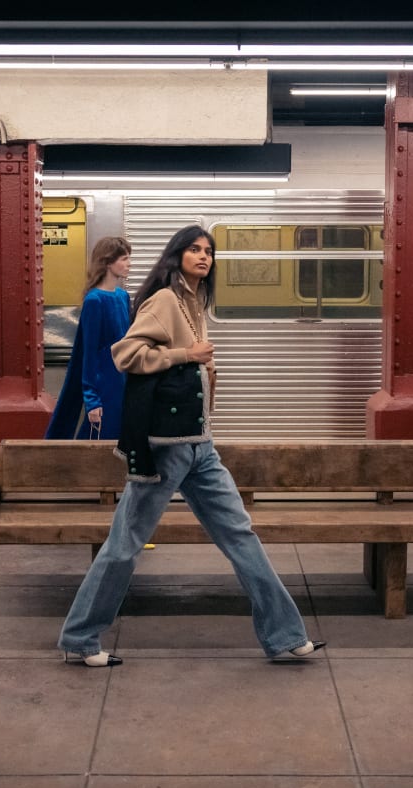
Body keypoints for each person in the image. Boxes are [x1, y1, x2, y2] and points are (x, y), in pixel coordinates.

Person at [58, 224, 324, 667]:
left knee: (240, 535)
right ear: (177, 255)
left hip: (200, 445)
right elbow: (125, 354)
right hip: (166, 448)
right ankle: (80, 638)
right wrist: (185, 356)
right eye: (194, 249)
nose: (203, 256)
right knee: (125, 543)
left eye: (209, 251)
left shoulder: (195, 302)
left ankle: (285, 635)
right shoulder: (165, 300)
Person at [46, 236, 133, 440]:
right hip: (105, 382)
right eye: (124, 259)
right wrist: (92, 399)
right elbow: (88, 353)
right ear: (108, 262)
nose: (129, 263)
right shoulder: (94, 301)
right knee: (100, 437)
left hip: (124, 378)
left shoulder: (123, 296)